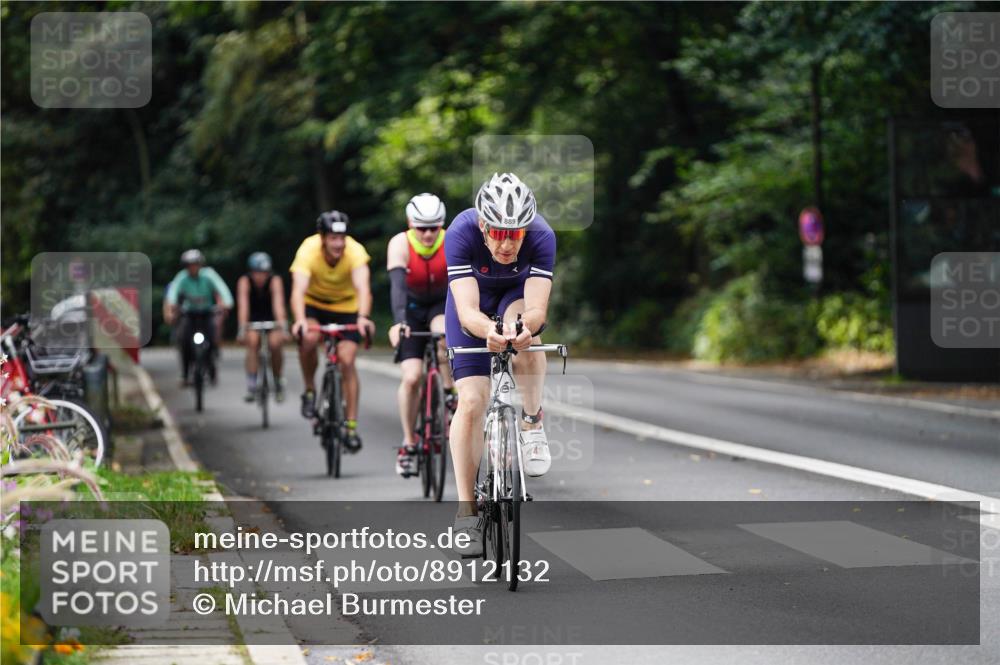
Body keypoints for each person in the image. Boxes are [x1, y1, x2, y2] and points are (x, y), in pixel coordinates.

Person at [444, 173, 556, 556]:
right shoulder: (460, 233)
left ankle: (531, 422)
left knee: (528, 338)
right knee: (472, 402)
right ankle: (465, 512)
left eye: (516, 234)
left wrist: (525, 330)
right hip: (472, 305)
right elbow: (466, 311)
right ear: (482, 225)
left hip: (514, 296)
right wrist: (488, 331)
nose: (507, 243)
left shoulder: (541, 236)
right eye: (498, 232)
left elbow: (537, 308)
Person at [289, 211, 375, 453]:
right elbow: (297, 290)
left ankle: (350, 426)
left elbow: (363, 289)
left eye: (342, 238)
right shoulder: (308, 249)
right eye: (333, 238)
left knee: (347, 360)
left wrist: (363, 318)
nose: (338, 243)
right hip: (314, 304)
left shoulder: (355, 252)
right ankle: (309, 389)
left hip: (347, 308)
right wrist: (299, 320)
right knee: (308, 338)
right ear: (323, 237)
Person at [386, 193, 455, 477]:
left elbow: (458, 283)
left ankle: (449, 393)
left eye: (433, 228)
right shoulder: (400, 243)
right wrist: (400, 321)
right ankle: (408, 441)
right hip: (411, 309)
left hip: (440, 304)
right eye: (421, 228)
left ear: (441, 225)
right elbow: (397, 288)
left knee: (443, 335)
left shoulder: (450, 240)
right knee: (412, 376)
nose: (427, 234)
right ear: (410, 224)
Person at [163, 249, 234, 385]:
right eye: (190, 265)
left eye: (195, 264)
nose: (193, 268)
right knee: (183, 338)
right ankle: (185, 373)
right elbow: (173, 293)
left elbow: (222, 289)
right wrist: (172, 306)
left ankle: (211, 364)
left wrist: (226, 303)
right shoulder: (182, 278)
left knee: (213, 336)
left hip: (207, 312)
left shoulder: (209, 275)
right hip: (189, 313)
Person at [236, 252, 289, 403]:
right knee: (252, 342)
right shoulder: (245, 282)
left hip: (271, 320)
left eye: (264, 273)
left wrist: (283, 326)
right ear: (252, 272)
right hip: (253, 321)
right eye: (258, 273)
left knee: (275, 344)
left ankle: (278, 380)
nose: (261, 277)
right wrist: (242, 328)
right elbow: (243, 306)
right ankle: (252, 383)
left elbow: (278, 304)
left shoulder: (274, 281)